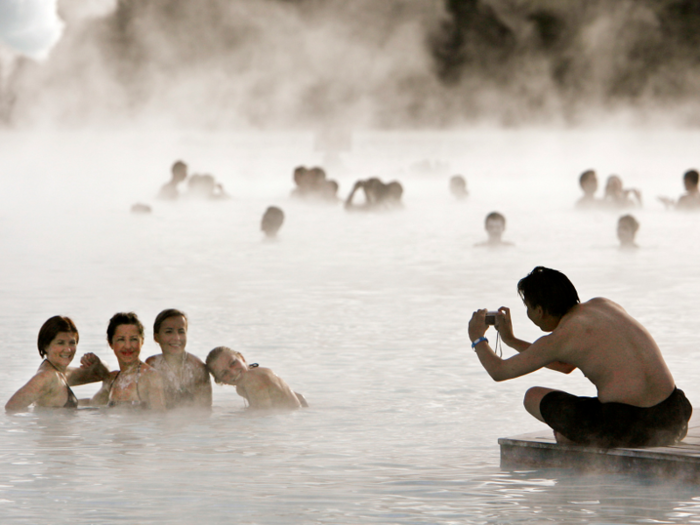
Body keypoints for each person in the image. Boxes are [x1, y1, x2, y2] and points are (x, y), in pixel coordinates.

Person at [468, 266, 692, 448]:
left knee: (532, 396)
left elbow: (499, 371)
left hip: (632, 426)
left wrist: (477, 338)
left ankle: (579, 439)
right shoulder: (604, 305)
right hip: (676, 415)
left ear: (539, 311)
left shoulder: (562, 337)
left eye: (528, 308)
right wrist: (511, 340)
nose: (528, 315)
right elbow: (565, 365)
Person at [6, 316, 110, 412]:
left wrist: (97, 363)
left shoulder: (60, 372)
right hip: (55, 431)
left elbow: (105, 374)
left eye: (72, 343)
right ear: (46, 346)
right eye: (60, 343)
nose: (68, 349)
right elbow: (11, 407)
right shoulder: (46, 376)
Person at [91, 312, 166, 410]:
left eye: (133, 339)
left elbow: (160, 418)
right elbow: (92, 405)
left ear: (142, 341)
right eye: (121, 339)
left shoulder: (150, 377)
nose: (128, 346)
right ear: (111, 343)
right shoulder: (111, 380)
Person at [144, 309, 212, 409]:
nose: (176, 338)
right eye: (169, 332)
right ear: (156, 337)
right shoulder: (152, 365)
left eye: (181, 332)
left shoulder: (197, 368)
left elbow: (205, 410)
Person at [205, 347, 306, 409]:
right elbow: (300, 397)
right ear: (221, 381)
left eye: (233, 363)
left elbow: (261, 416)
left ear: (242, 358)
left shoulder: (252, 379)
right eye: (224, 373)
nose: (233, 372)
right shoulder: (243, 386)